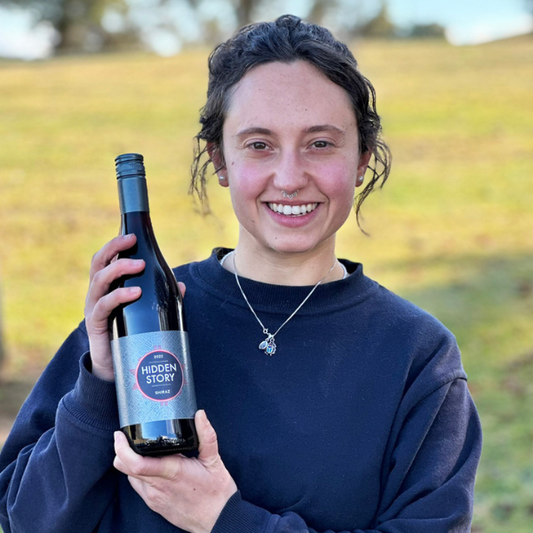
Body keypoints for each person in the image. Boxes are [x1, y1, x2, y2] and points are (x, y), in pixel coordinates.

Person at [0, 14, 482, 533]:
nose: (290, 178)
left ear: (362, 159)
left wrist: (226, 519)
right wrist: (100, 385)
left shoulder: (417, 355)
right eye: (259, 145)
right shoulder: (144, 319)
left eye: (320, 143)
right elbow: (23, 518)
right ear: (220, 160)